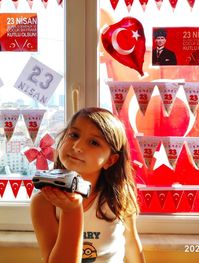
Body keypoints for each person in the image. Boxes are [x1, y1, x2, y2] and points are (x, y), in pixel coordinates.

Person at [30, 107, 145, 263]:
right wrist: (71, 211)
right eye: (74, 135)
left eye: (93, 142)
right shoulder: (44, 201)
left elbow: (131, 245)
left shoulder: (119, 196)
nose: (77, 146)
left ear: (110, 160)